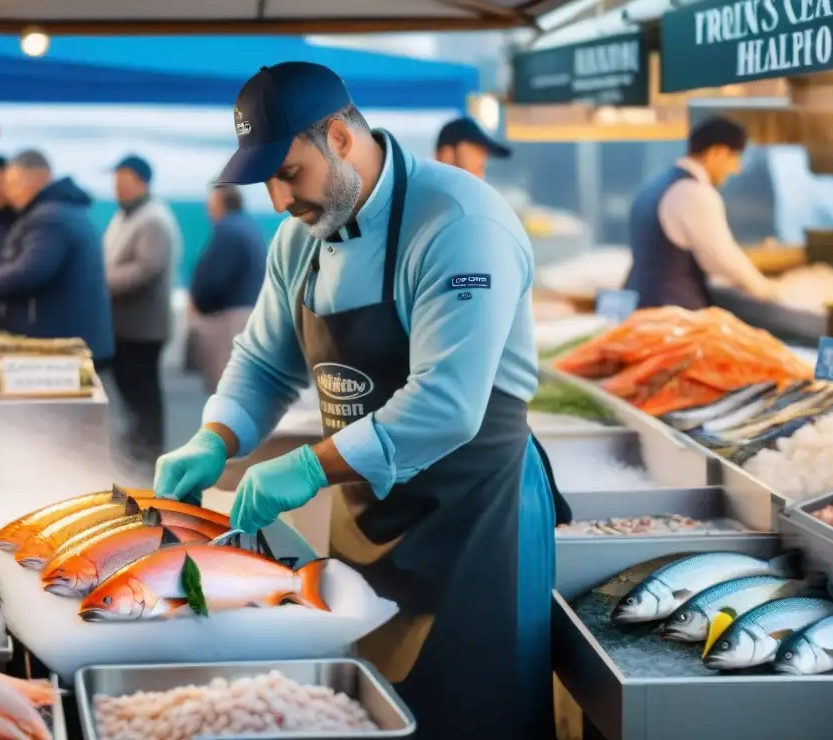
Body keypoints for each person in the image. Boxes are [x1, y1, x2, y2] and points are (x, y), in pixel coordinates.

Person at [152, 62, 570, 739]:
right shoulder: (299, 240)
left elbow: (447, 404)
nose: (281, 199)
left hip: (477, 524)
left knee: (475, 713)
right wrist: (216, 437)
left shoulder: (459, 221)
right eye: (267, 181)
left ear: (340, 138)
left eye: (289, 173)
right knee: (371, 711)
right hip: (369, 524)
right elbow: (262, 361)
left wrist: (310, 468)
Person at [0, 150, 114, 366]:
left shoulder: (50, 218)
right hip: (79, 338)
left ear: (35, 177)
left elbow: (31, 269)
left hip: (65, 346)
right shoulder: (64, 210)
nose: (9, 193)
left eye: (13, 183)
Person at [624, 116, 776, 309]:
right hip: (673, 309)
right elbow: (721, 257)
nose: (736, 169)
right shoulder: (694, 192)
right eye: (735, 157)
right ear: (717, 152)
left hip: (640, 302)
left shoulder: (656, 184)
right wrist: (764, 290)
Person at [103, 154, 181, 465]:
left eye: (121, 180)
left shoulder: (153, 220)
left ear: (140, 181)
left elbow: (146, 270)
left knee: (144, 393)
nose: (116, 187)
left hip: (143, 328)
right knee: (131, 391)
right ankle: (139, 443)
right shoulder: (124, 216)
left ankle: (150, 451)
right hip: (124, 326)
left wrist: (100, 282)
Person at [187, 182, 267, 393]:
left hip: (227, 321)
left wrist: (199, 302)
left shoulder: (229, 231)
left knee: (227, 392)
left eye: (211, 201)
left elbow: (214, 281)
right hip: (245, 314)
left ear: (221, 202)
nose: (208, 208)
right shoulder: (247, 227)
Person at [434, 116, 511, 179]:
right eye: (475, 148)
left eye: (484, 151)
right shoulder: (428, 195)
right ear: (446, 155)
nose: (483, 157)